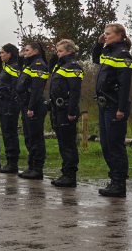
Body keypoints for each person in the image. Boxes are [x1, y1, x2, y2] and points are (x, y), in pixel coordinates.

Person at [93, 23, 132, 198]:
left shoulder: (123, 55)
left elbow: (125, 85)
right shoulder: (108, 53)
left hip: (115, 105)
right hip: (104, 106)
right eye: (104, 33)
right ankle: (113, 180)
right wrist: (98, 42)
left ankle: (119, 183)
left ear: (118, 36)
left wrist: (121, 108)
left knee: (115, 145)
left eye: (108, 34)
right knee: (106, 145)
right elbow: (95, 58)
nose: (105, 36)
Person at [48, 39, 83, 188]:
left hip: (67, 109)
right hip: (57, 109)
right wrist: (54, 55)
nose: (58, 53)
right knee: (62, 143)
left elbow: (75, 91)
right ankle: (65, 173)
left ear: (69, 52)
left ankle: (70, 175)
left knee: (68, 144)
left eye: (60, 51)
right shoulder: (59, 66)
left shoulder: (73, 67)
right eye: (57, 51)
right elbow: (50, 67)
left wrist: (71, 111)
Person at [15, 42, 49, 180]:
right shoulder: (30, 64)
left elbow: (37, 88)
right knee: (29, 137)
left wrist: (31, 107)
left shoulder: (38, 65)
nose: (25, 51)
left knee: (36, 138)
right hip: (26, 103)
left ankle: (37, 168)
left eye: (27, 50)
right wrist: (20, 56)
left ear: (35, 51)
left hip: (34, 105)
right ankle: (31, 166)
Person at [0, 44, 21, 174]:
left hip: (9, 103)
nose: (0, 55)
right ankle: (9, 160)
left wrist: (11, 107)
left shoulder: (15, 67)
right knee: (5, 132)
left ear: (9, 54)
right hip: (2, 102)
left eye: (2, 53)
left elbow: (15, 88)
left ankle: (13, 162)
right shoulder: (6, 67)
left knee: (10, 132)